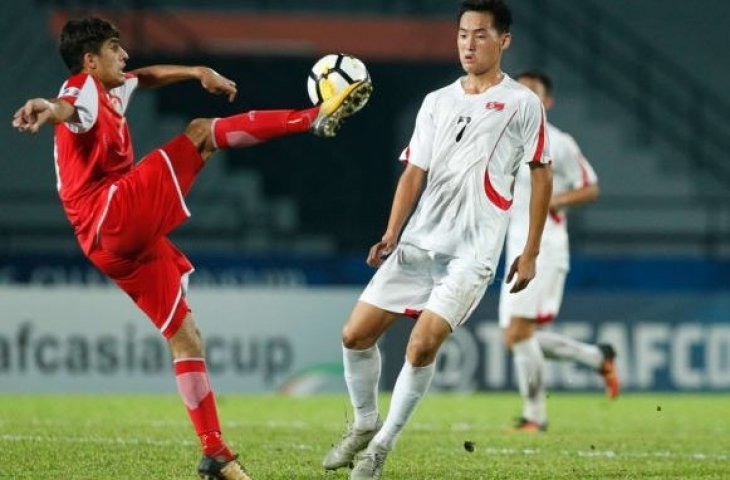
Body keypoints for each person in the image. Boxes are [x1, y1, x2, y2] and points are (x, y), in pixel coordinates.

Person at [11, 17, 372, 480]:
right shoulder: (82, 87)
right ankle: (310, 117)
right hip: (111, 214)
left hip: (104, 244)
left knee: (185, 336)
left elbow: (149, 76)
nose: (125, 56)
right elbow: (63, 106)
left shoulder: (113, 86)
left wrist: (196, 70)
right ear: (90, 60)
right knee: (202, 132)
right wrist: (43, 105)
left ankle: (216, 453)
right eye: (115, 49)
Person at [321, 1, 552, 478]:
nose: (469, 43)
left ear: (503, 41)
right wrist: (390, 232)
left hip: (472, 252)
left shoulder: (521, 103)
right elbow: (414, 172)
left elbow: (541, 174)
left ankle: (381, 448)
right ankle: (365, 423)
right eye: (463, 34)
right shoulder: (437, 101)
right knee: (354, 335)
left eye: (481, 35)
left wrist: (530, 251)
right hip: (418, 243)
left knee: (421, 344)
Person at [499, 70, 619, 433]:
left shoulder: (558, 142)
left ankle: (534, 417)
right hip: (514, 248)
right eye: (519, 92)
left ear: (547, 102)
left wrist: (554, 200)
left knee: (519, 333)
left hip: (545, 248)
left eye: (533, 94)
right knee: (515, 335)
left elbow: (590, 187)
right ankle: (596, 357)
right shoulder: (502, 141)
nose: (525, 99)